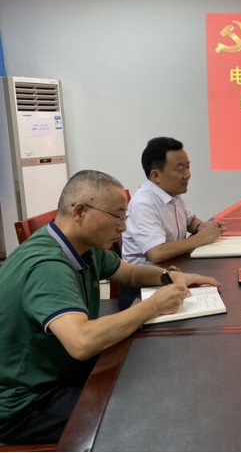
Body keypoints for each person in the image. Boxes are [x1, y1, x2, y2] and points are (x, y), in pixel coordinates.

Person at [0, 170, 220, 445]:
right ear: (79, 211)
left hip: (60, 370)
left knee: (152, 378)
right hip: (25, 402)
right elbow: (82, 342)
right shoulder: (47, 266)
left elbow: (129, 273)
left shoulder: (81, 246)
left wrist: (171, 276)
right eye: (117, 217)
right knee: (142, 419)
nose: (123, 228)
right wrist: (153, 306)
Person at [120, 137, 223, 309]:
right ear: (156, 175)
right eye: (180, 169)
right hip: (144, 286)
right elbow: (156, 253)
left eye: (188, 167)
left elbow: (190, 220)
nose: (188, 174)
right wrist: (201, 238)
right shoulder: (143, 204)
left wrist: (201, 227)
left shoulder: (172, 194)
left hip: (173, 272)